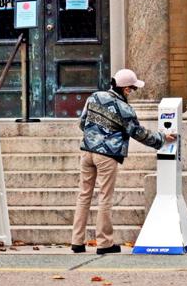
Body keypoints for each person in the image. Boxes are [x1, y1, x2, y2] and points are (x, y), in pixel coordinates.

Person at [71, 68, 177, 255]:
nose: (132, 92)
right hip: (107, 156)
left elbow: (82, 122)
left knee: (84, 195)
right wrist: (161, 138)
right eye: (132, 89)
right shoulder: (125, 109)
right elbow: (138, 133)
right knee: (105, 197)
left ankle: (77, 242)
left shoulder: (94, 97)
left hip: (87, 152)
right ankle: (104, 243)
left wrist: (94, 135)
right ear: (125, 88)